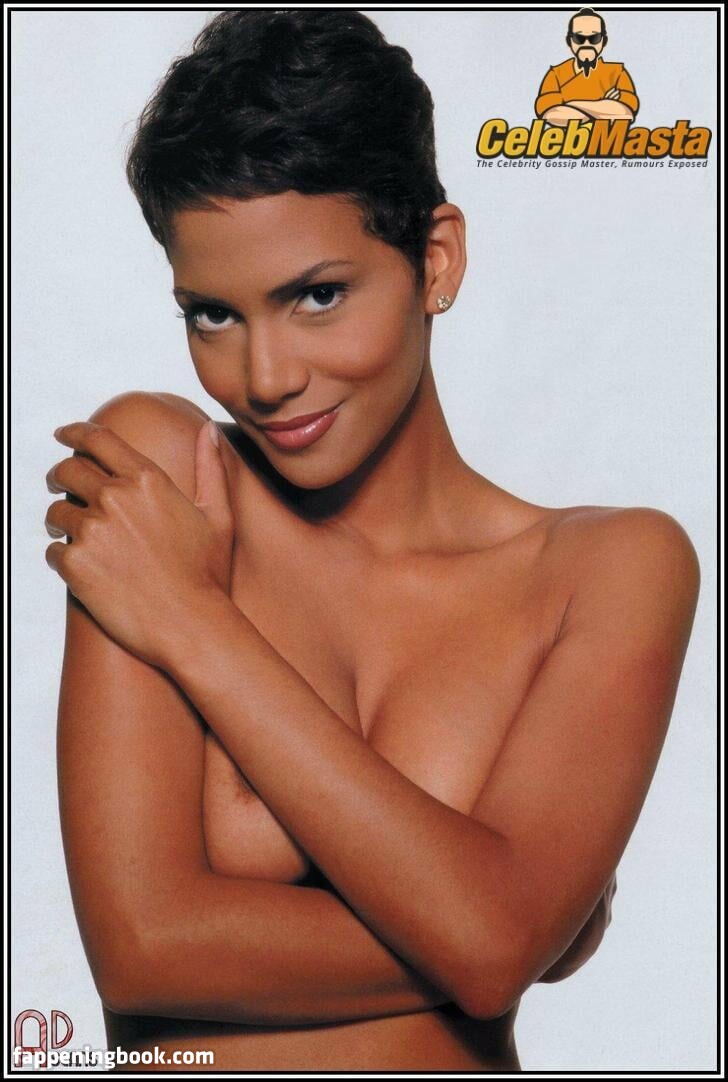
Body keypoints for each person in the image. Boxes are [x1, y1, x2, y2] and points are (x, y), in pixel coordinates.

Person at [44, 9, 699, 1073]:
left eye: (318, 295)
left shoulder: (609, 570)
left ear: (434, 260)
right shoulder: (169, 482)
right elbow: (143, 947)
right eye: (213, 314)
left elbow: (493, 945)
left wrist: (194, 622)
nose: (265, 378)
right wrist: (499, 921)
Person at [535, 7, 639, 126]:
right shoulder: (556, 74)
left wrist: (570, 104)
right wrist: (604, 107)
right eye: (579, 38)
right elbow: (550, 115)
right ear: (569, 41)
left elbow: (626, 113)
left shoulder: (617, 72)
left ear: (604, 41)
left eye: (594, 38)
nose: (586, 43)